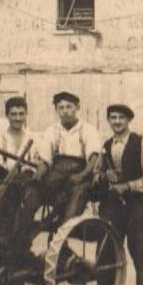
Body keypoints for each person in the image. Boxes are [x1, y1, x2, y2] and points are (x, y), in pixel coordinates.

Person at [98, 103, 143, 285]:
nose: (116, 122)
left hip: (136, 207)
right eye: (112, 118)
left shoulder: (142, 143)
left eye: (121, 118)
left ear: (128, 120)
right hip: (111, 206)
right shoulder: (105, 146)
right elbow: (100, 173)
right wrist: (104, 176)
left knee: (140, 253)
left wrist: (129, 186)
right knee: (106, 253)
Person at [42, 91, 104, 220]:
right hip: (58, 176)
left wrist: (81, 175)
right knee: (35, 191)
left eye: (69, 107)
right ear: (56, 110)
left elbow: (93, 158)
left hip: (81, 176)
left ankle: (65, 223)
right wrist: (40, 173)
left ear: (77, 108)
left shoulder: (87, 129)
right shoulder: (51, 131)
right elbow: (45, 158)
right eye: (61, 108)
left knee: (72, 209)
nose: (65, 111)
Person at [0, 96, 47, 173]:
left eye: (21, 114)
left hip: (27, 182)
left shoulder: (34, 139)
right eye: (13, 114)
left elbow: (39, 164)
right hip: (4, 180)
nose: (18, 118)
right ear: (7, 115)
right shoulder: (0, 139)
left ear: (26, 114)